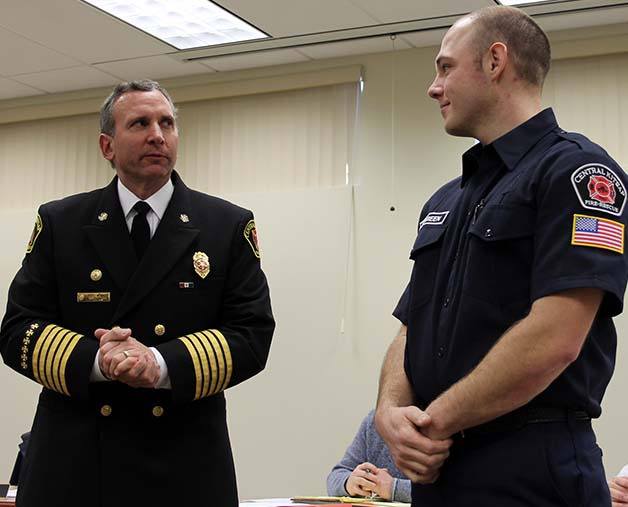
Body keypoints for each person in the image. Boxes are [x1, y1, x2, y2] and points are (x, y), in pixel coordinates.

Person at [374, 6, 627, 507]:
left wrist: (433, 421)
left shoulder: (579, 173)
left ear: (495, 62)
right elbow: (411, 327)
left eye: (445, 67)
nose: (433, 86)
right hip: (442, 470)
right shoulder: (446, 199)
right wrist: (388, 413)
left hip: (531, 466)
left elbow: (557, 337)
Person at [0, 79, 275, 507]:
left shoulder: (225, 226)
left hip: (182, 461)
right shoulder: (61, 222)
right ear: (107, 146)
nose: (157, 135)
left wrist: (159, 363)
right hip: (75, 462)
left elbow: (252, 335)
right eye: (140, 123)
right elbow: (18, 330)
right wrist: (97, 360)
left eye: (167, 123)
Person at [326, 410, 411, 502]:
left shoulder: (427, 423)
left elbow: (429, 494)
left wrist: (393, 488)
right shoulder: (375, 420)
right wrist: (351, 482)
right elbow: (335, 476)